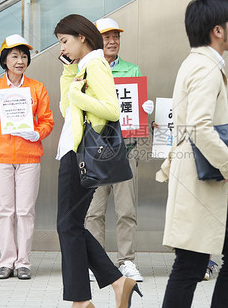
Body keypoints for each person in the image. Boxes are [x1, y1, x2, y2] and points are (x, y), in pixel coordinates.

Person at [156, 0, 228, 307]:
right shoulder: (205, 68)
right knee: (195, 264)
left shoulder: (199, 63)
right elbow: (199, 126)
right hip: (200, 184)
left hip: (202, 184)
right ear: (217, 30)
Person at [54, 14, 142, 308]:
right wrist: (69, 76)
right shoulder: (82, 66)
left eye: (65, 41)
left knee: (68, 226)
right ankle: (116, 285)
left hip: (82, 155)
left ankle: (84, 300)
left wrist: (78, 93)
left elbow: (111, 110)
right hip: (73, 152)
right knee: (71, 226)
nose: (63, 48)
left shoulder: (96, 64)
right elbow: (67, 110)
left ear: (81, 37)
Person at [0, 34, 54, 280]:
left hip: (29, 156)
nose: (20, 61)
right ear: (4, 60)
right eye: (14, 56)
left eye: (23, 56)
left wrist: (37, 133)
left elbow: (47, 121)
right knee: (5, 211)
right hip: (0, 157)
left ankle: (23, 262)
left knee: (25, 211)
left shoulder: (37, 88)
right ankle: (6, 262)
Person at [84, 17, 153, 282]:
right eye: (106, 37)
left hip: (127, 149)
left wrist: (145, 112)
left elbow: (136, 108)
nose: (112, 41)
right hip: (96, 151)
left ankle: (126, 261)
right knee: (94, 211)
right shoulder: (87, 68)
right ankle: (97, 264)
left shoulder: (132, 69)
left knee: (126, 210)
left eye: (116, 36)